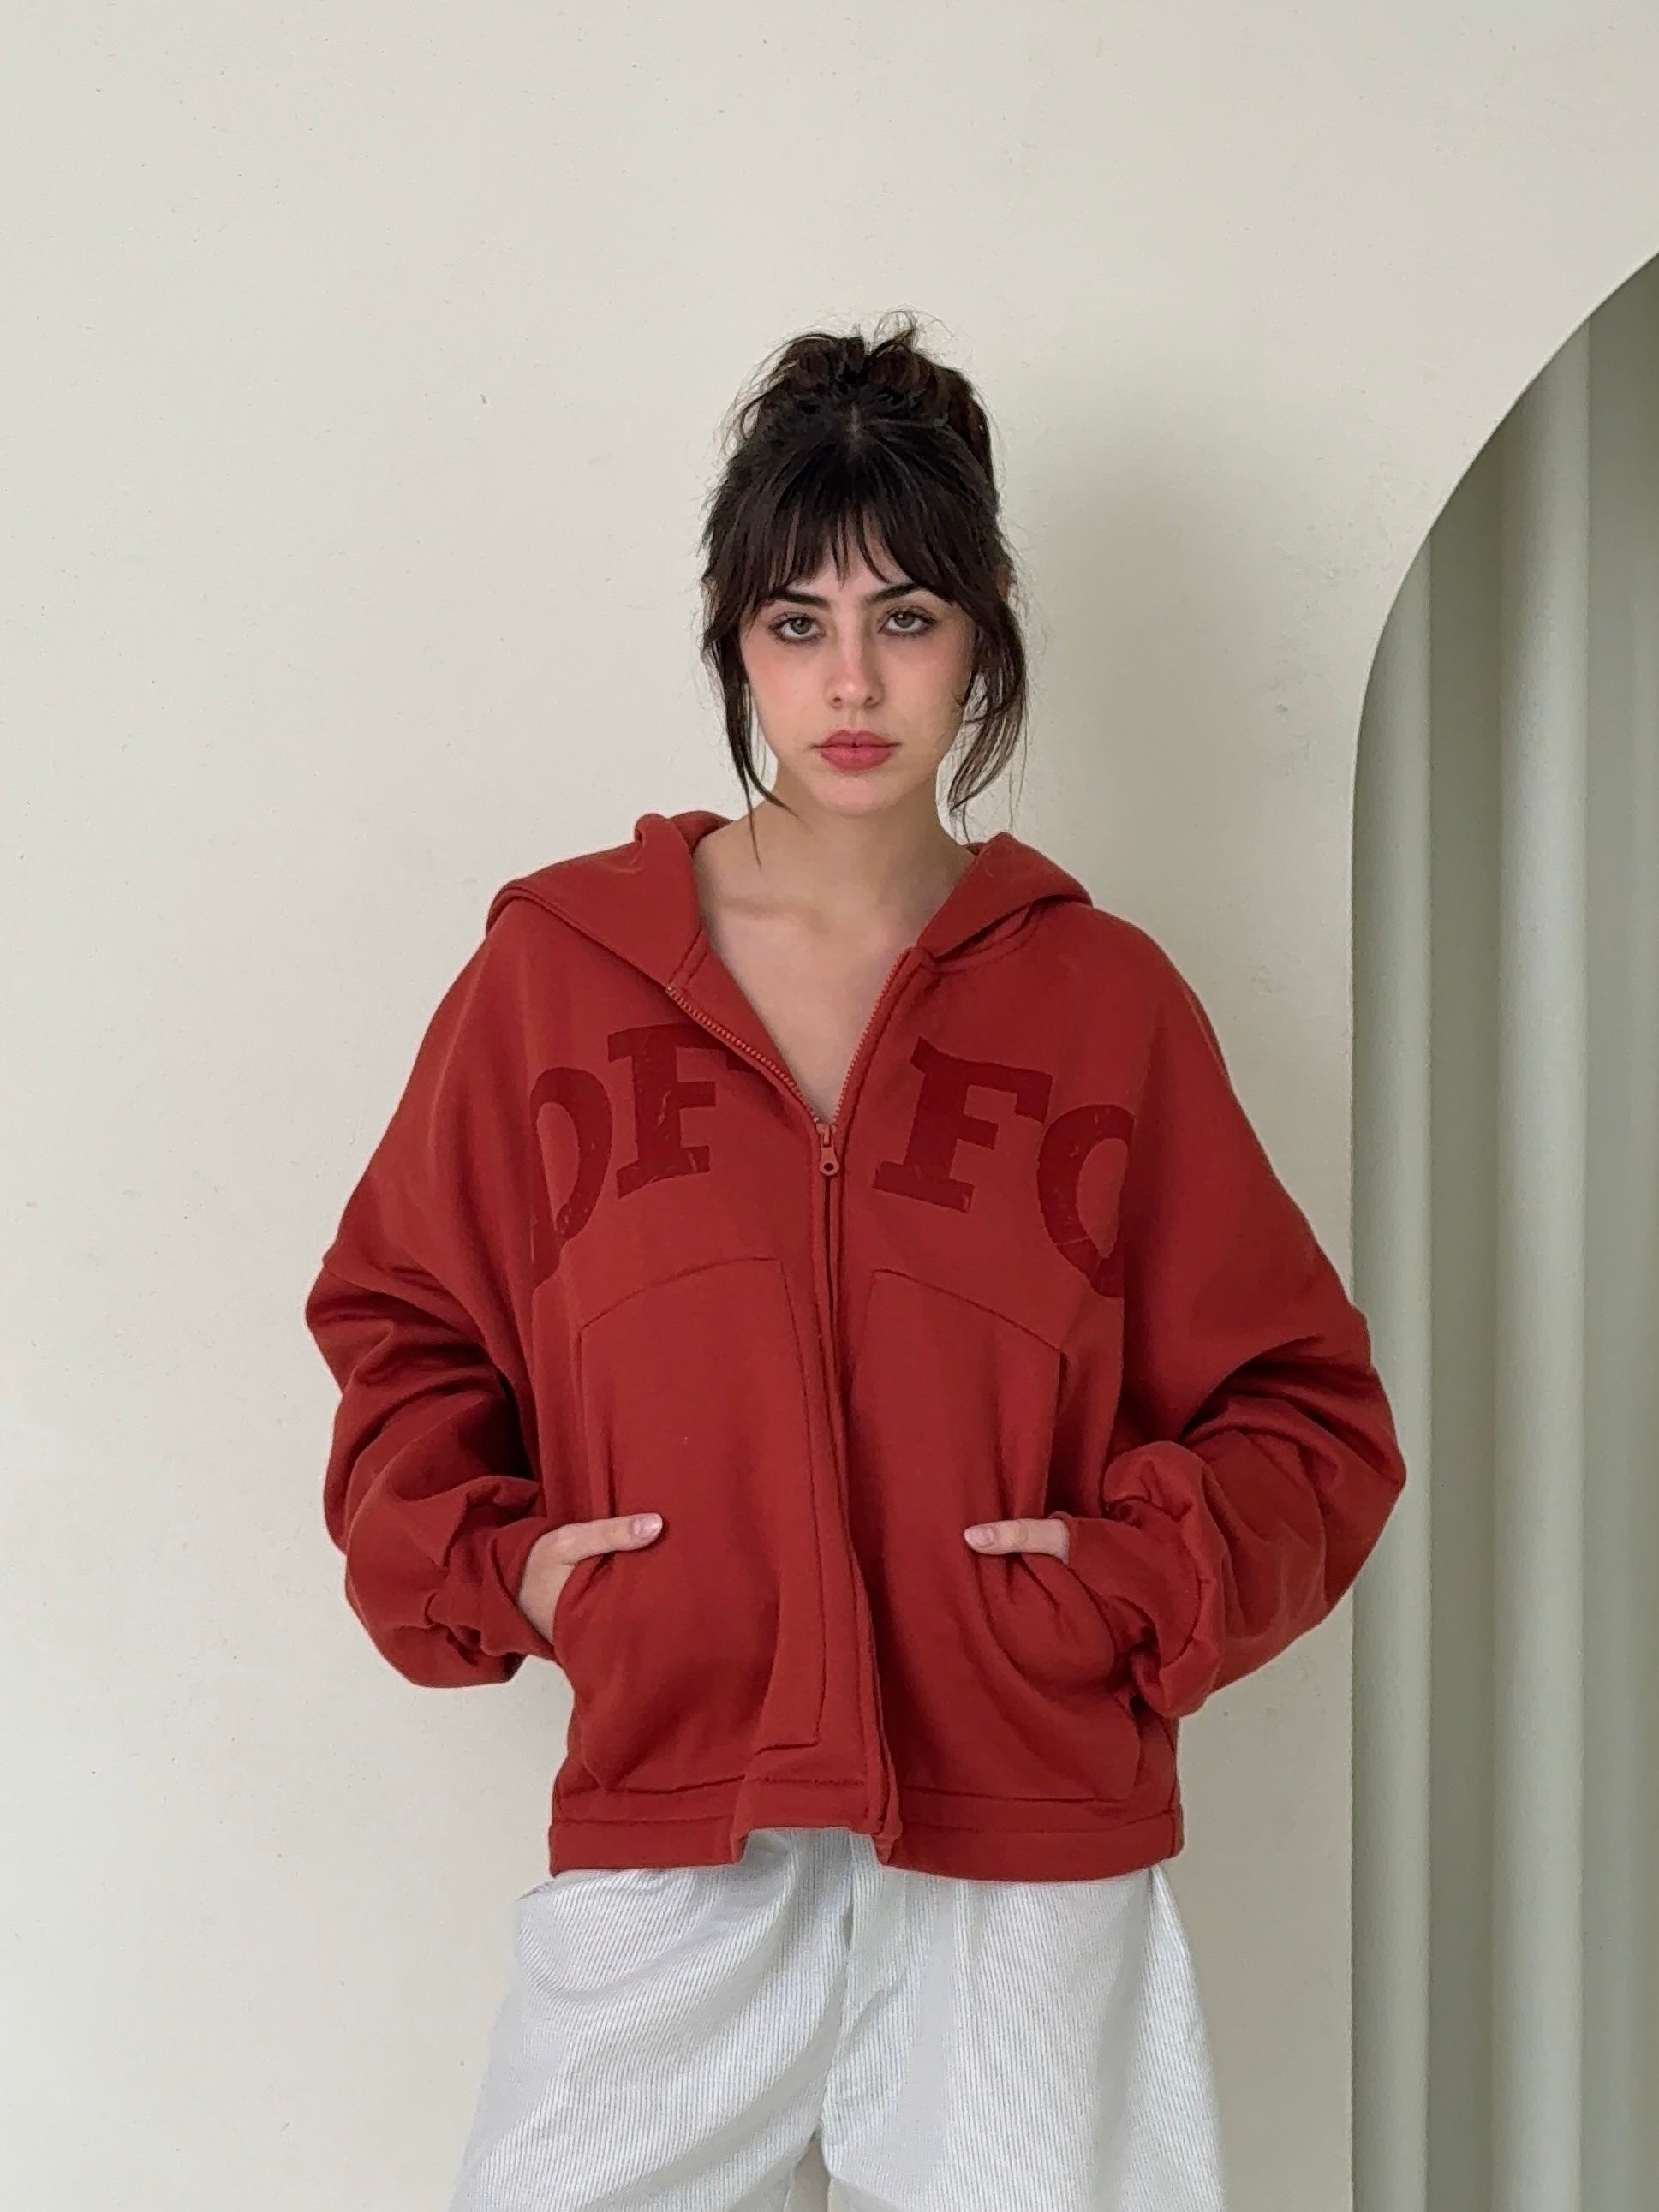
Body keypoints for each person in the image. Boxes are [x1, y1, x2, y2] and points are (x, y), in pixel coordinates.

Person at [304, 312, 1409, 2212]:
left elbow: (1310, 1412)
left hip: (1024, 1837)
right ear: (732, 640)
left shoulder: (1103, 1002)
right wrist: (513, 1571)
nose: (851, 680)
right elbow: (401, 1324)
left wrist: (1124, 1582)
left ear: (983, 635)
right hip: (683, 1798)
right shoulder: (556, 981)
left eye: (905, 616)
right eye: (795, 620)